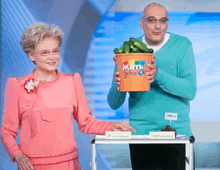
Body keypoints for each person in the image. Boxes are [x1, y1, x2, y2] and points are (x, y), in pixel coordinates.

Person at [0, 22, 136, 170]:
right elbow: (7, 131)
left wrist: (110, 126)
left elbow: (86, 122)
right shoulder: (17, 86)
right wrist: (18, 155)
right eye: (44, 53)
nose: (52, 57)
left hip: (68, 164)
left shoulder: (72, 81)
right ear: (31, 55)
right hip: (32, 166)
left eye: (55, 51)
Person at [107, 2, 196, 170]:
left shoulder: (182, 45)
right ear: (142, 23)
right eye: (152, 20)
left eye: (163, 21)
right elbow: (113, 103)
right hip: (141, 137)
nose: (158, 26)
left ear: (167, 23)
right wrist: (120, 88)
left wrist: (158, 75)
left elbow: (190, 90)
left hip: (177, 136)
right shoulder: (127, 51)